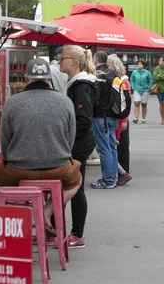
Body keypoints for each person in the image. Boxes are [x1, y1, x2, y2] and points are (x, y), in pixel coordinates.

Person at [0, 58, 81, 234]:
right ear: (49, 78)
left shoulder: (13, 102)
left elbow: (5, 141)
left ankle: (25, 212)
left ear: (27, 77)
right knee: (75, 181)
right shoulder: (65, 102)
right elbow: (70, 141)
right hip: (58, 167)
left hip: (19, 168)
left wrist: (14, 157)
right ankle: (47, 210)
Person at [59, 45, 97, 248]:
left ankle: (77, 234)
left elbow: (82, 120)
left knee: (75, 187)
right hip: (76, 144)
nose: (59, 61)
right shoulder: (77, 83)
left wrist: (67, 140)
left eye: (63, 58)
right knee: (72, 187)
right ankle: (64, 231)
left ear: (74, 62)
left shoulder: (81, 86)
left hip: (77, 145)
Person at [90, 51, 119, 189]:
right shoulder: (113, 74)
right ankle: (112, 177)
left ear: (95, 60)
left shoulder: (97, 75)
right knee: (112, 147)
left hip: (100, 116)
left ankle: (107, 180)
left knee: (103, 148)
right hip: (113, 115)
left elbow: (95, 99)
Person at [107, 54, 132, 185]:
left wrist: (125, 120)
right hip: (119, 118)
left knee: (120, 147)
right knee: (115, 147)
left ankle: (123, 173)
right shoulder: (119, 80)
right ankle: (121, 174)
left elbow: (126, 102)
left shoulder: (123, 81)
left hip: (121, 119)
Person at [130, 59, 153, 124]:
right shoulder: (134, 72)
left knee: (144, 105)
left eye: (140, 64)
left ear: (143, 65)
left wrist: (148, 88)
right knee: (136, 103)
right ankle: (135, 118)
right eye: (138, 64)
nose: (139, 65)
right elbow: (132, 80)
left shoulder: (147, 73)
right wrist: (133, 87)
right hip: (137, 90)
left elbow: (150, 81)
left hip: (144, 90)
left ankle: (143, 118)